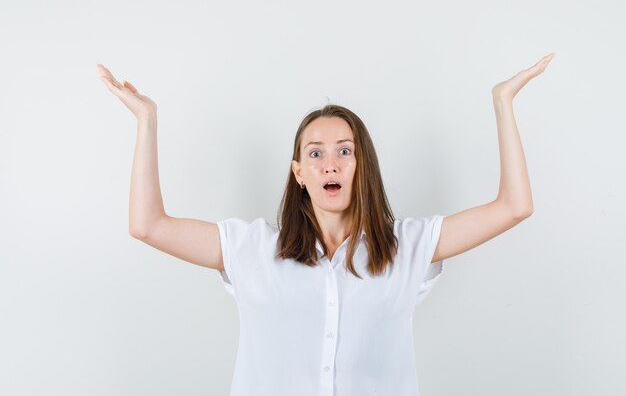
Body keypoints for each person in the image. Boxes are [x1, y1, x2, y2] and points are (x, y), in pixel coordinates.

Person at [97, 52, 554, 396]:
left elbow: (514, 206)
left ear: (363, 166)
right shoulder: (250, 249)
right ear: (299, 173)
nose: (329, 163)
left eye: (344, 151)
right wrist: (147, 118)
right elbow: (148, 225)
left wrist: (502, 101)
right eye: (315, 153)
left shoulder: (408, 247)